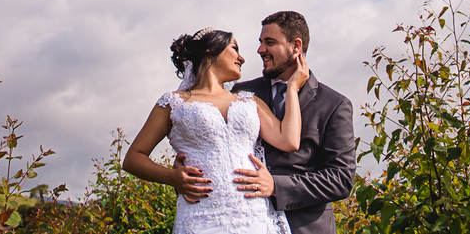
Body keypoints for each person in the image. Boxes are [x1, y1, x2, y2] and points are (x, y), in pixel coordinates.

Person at [123, 28, 309, 234]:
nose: (242, 58)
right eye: (234, 48)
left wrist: (292, 88)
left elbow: (289, 140)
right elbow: (133, 158)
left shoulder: (249, 100)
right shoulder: (174, 102)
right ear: (210, 50)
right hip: (201, 216)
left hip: (255, 215)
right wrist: (172, 177)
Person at [231, 12, 356, 234]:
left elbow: (341, 179)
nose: (260, 50)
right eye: (260, 42)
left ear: (296, 46)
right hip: (245, 222)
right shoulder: (242, 92)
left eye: (270, 43)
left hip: (304, 228)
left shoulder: (335, 105)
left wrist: (276, 187)